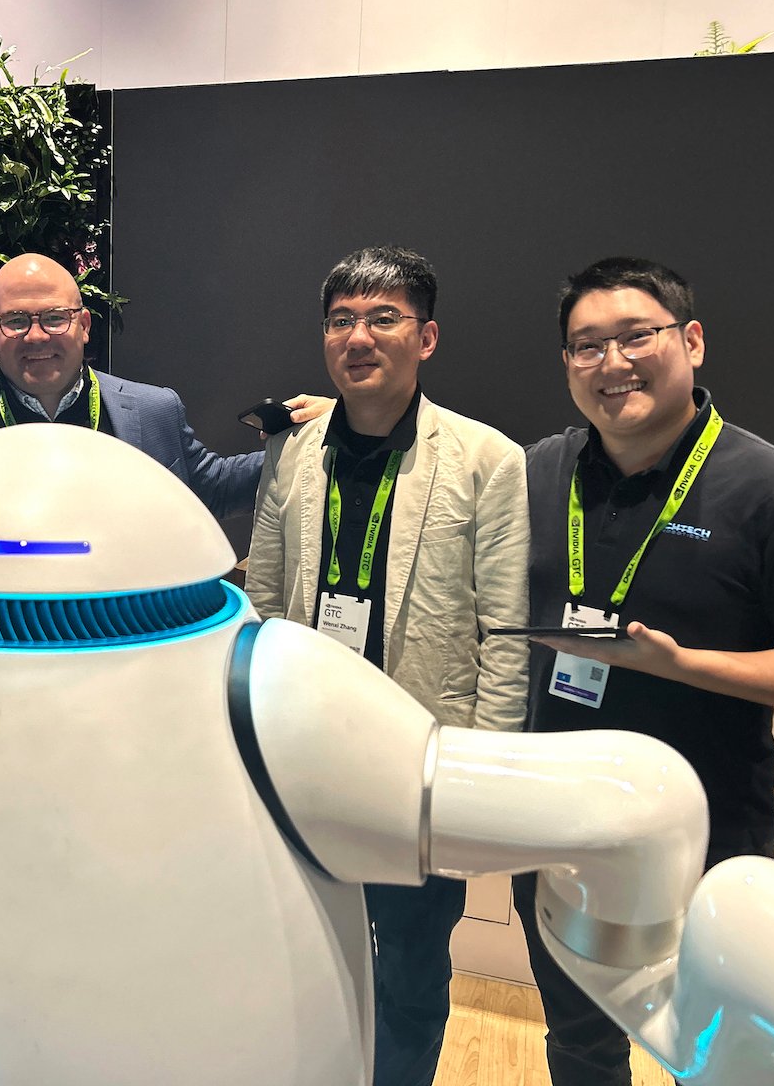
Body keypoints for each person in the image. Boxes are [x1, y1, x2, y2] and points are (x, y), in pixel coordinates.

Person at [513, 256, 774, 1086]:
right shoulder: (540, 471)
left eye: (637, 336)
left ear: (693, 341)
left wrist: (682, 667)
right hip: (557, 823)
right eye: (586, 346)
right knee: (577, 1041)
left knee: (714, 1054)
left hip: (706, 834)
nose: (613, 364)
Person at [247, 245, 530, 1086]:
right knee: (302, 944)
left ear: (427, 337)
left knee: (408, 966)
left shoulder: (487, 460)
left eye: (383, 318)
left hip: (417, 761)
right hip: (301, 751)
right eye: (341, 320)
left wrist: (483, 780)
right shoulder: (295, 452)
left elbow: (505, 632)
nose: (358, 337)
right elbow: (261, 597)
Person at [0, 252, 318, 520]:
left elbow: (215, 488)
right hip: (1, 640)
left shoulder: (154, 410)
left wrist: (320, 436)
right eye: (15, 321)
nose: (35, 337)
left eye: (54, 317)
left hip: (122, 633)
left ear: (83, 326)